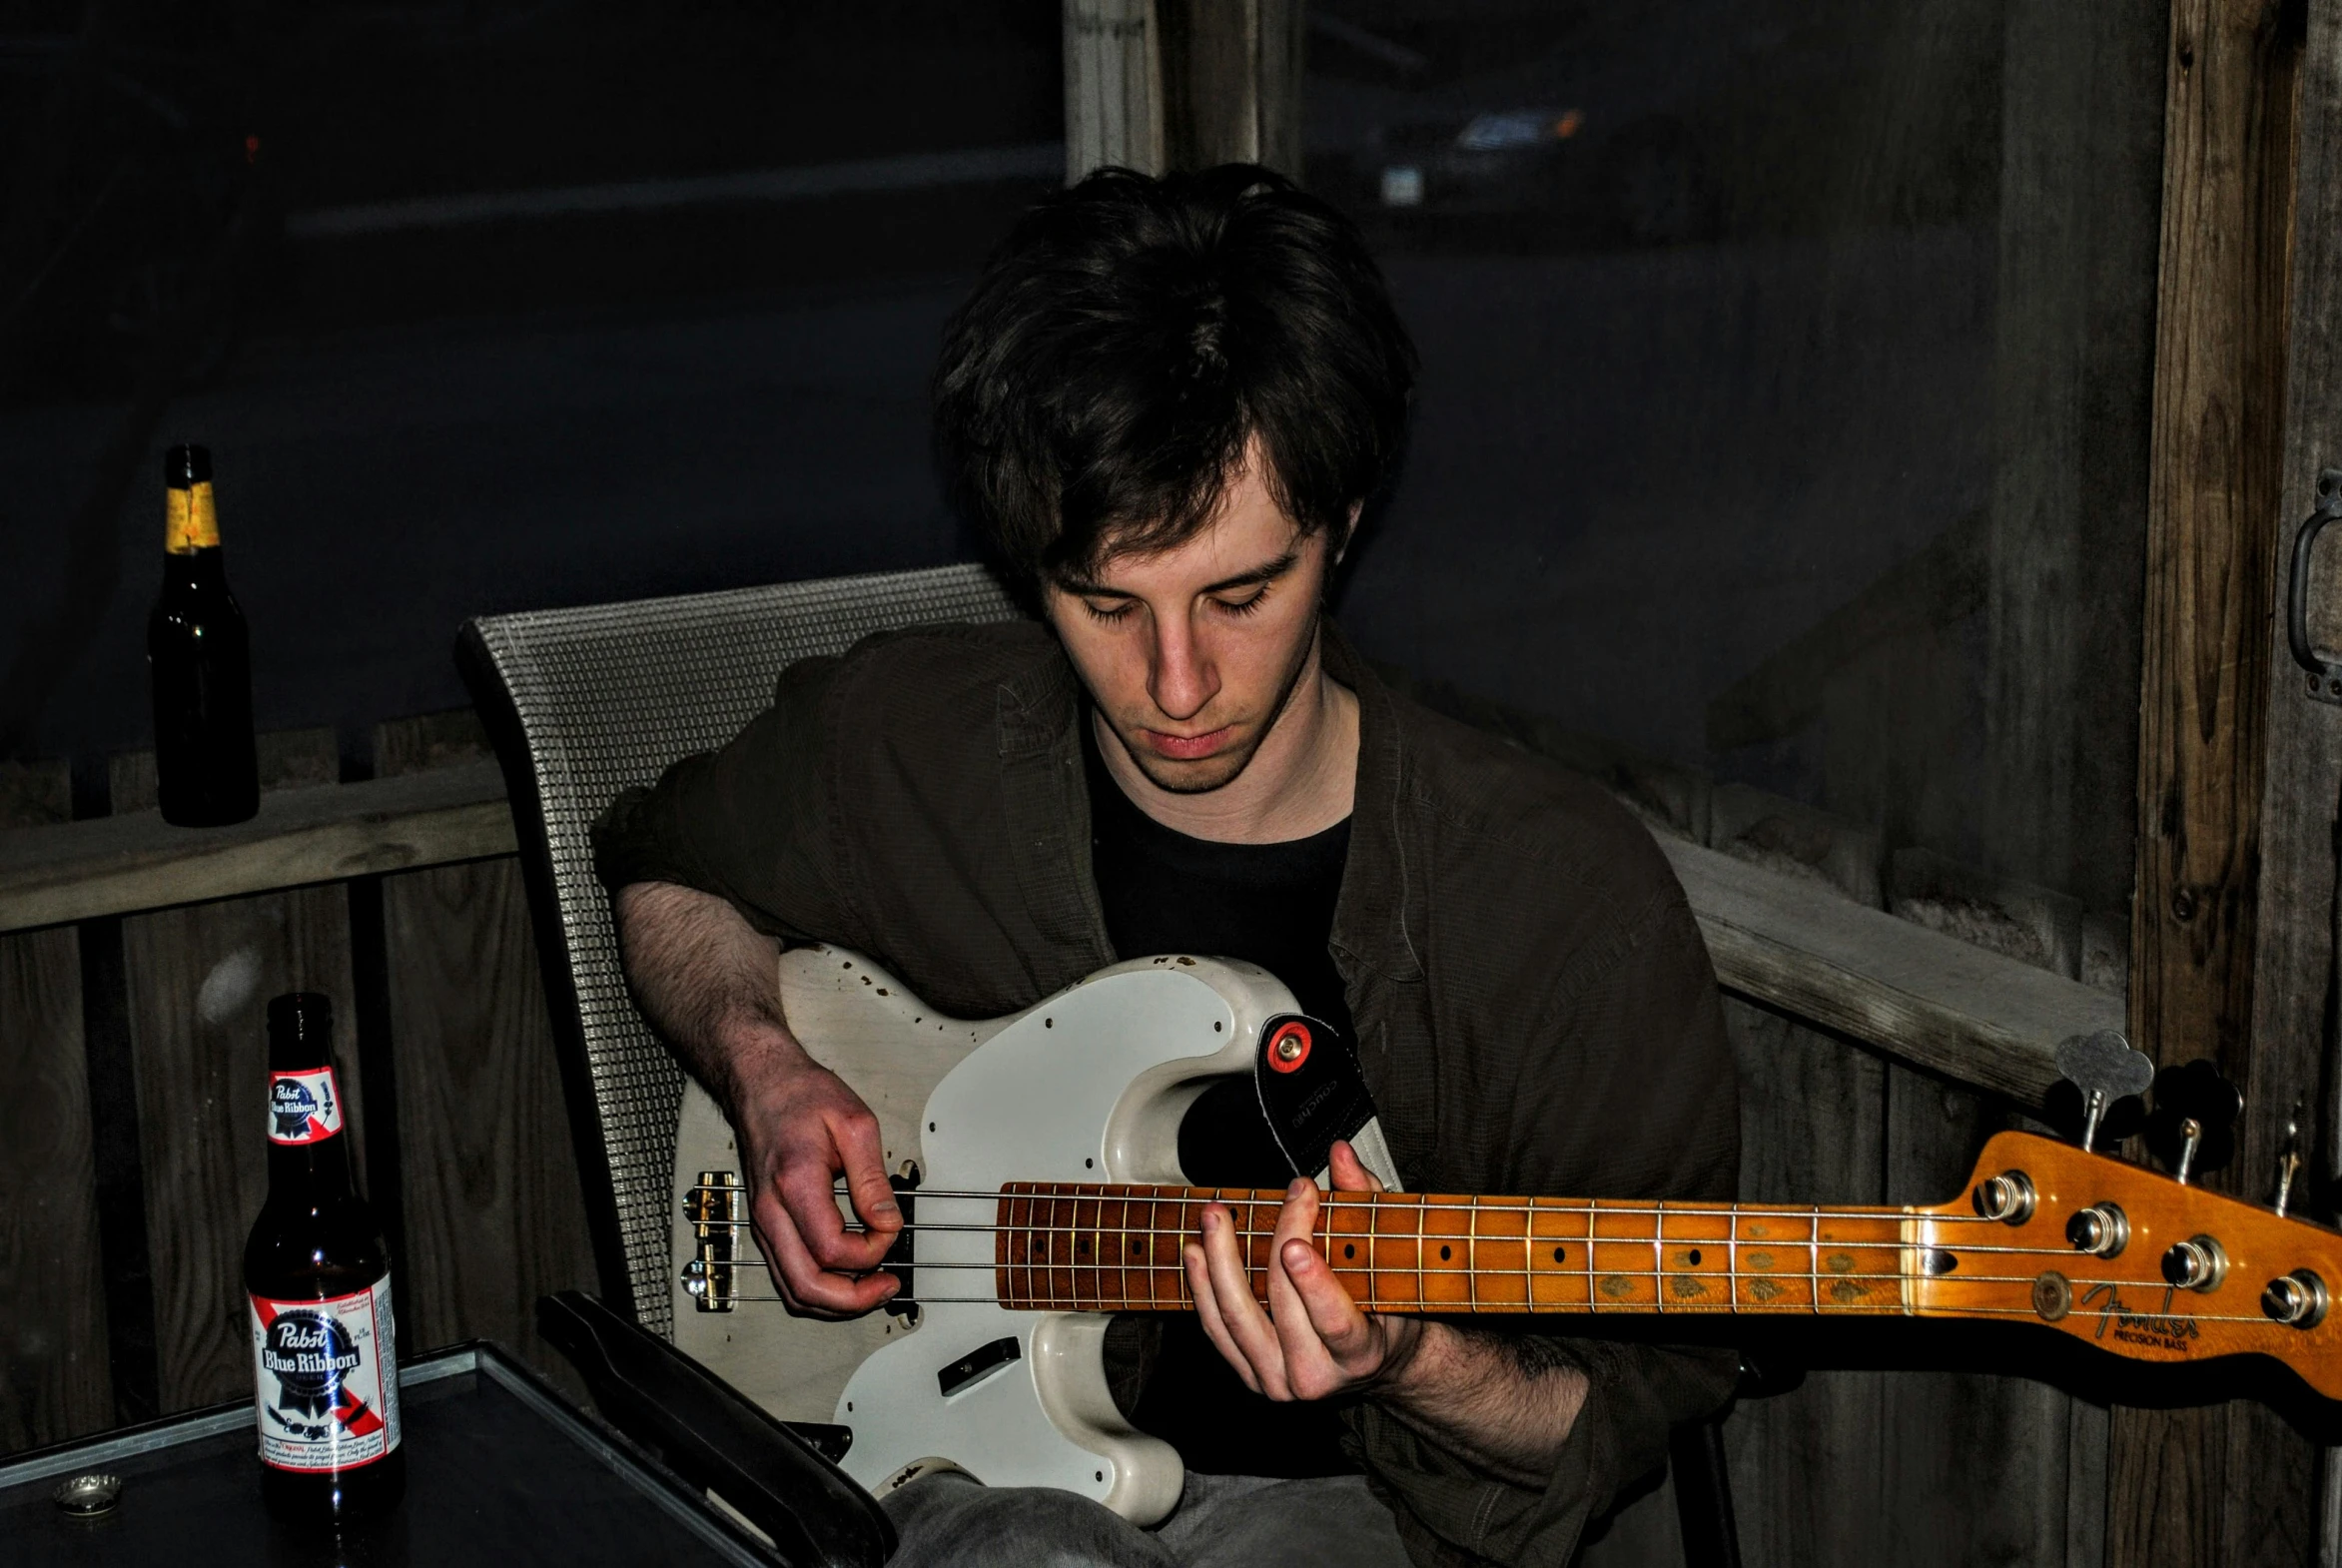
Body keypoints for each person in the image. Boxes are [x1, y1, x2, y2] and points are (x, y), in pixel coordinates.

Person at [593, 164, 1740, 1568]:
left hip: (1354, 1520)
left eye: (1242, 594)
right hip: (952, 1476)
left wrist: (1411, 1356)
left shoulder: (1562, 905)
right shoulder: (906, 743)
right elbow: (661, 868)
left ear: (1347, 523)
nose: (1176, 681)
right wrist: (759, 1061)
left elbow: (1624, 1412)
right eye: (1105, 602)